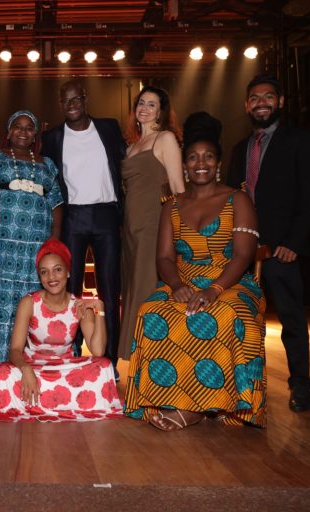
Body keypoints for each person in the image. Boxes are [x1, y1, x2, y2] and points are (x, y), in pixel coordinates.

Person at [124, 112, 267, 431]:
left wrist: (214, 289)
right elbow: (164, 258)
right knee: (152, 311)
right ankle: (167, 399)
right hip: (184, 280)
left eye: (208, 157)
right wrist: (176, 285)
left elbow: (244, 255)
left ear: (218, 163)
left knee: (225, 313)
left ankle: (201, 406)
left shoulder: (238, 199)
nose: (200, 163)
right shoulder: (171, 205)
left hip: (230, 281)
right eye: (192, 158)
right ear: (184, 166)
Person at [227, 75, 310, 413]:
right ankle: (240, 388)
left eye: (268, 96)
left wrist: (293, 241)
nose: (261, 102)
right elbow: (231, 200)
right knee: (238, 319)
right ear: (246, 105)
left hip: (282, 250)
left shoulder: (300, 141)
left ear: (280, 102)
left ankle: (300, 387)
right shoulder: (239, 149)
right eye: (254, 98)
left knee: (291, 319)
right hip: (243, 252)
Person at [0, 239, 123, 422]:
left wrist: (99, 308)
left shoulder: (79, 306)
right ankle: (64, 401)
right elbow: (14, 350)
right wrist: (26, 370)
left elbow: (98, 351)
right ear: (39, 276)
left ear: (68, 272)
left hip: (65, 369)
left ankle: (41, 402)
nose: (51, 277)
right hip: (33, 368)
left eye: (57, 270)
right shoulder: (29, 303)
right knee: (4, 371)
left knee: (104, 365)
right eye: (44, 272)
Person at [41, 79, 125, 372]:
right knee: (71, 290)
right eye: (66, 101)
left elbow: (123, 166)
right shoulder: (52, 137)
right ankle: (73, 352)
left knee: (109, 290)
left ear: (85, 99)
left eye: (76, 99)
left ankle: (109, 361)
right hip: (73, 217)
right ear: (60, 105)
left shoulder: (109, 128)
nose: (72, 105)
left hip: (106, 214)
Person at [0, 110, 64, 365]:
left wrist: (53, 243)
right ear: (8, 131)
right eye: (17, 126)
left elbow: (57, 204)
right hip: (1, 243)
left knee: (31, 299)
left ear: (35, 135)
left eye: (29, 128)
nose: (23, 131)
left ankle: (28, 363)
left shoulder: (48, 164)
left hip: (35, 246)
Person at [118, 86, 184, 361]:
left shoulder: (165, 139)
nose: (144, 108)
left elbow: (178, 188)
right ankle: (138, 357)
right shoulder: (130, 147)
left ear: (161, 111)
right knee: (133, 288)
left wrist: (181, 230)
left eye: (152, 104)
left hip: (153, 225)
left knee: (146, 288)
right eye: (141, 103)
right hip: (129, 229)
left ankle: (152, 354)